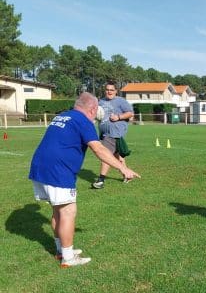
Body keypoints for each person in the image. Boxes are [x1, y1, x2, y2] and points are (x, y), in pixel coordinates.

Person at [29, 92, 140, 268]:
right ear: (93, 109)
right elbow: (100, 149)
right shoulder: (82, 120)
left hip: (40, 167)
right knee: (68, 211)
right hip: (58, 170)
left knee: (58, 210)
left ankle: (61, 251)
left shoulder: (63, 115)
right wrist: (123, 168)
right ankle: (68, 258)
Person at [92, 81, 134, 189]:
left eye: (111, 90)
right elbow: (98, 115)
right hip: (104, 133)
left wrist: (118, 117)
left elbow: (130, 113)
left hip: (114, 133)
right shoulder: (100, 102)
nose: (109, 92)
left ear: (116, 91)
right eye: (107, 89)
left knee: (106, 156)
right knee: (117, 157)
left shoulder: (120, 101)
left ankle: (101, 180)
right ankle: (127, 175)